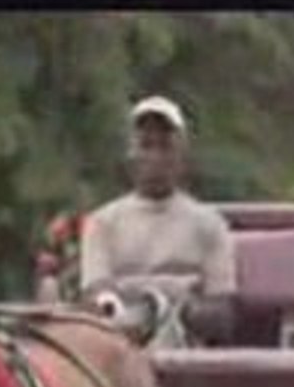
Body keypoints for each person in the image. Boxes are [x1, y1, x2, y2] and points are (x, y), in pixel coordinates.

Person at [79, 96, 236, 344]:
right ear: (132, 155)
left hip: (185, 343)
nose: (155, 157)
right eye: (146, 145)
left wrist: (176, 310)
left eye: (165, 146)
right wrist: (128, 313)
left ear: (181, 156)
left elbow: (222, 309)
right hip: (122, 339)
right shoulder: (102, 223)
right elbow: (96, 292)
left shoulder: (209, 224)